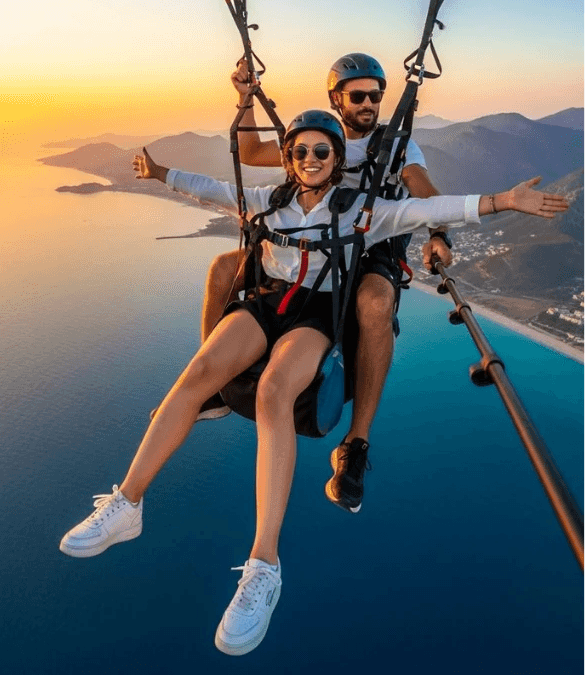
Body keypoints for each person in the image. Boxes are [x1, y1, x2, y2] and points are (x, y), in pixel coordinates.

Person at [59, 110, 568, 656]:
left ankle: (263, 565)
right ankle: (127, 504)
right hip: (266, 303)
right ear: (289, 160)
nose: (310, 161)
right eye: (300, 152)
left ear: (336, 159)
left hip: (317, 314)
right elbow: (210, 188)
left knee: (275, 390)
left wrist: (501, 201)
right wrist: (160, 173)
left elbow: (430, 207)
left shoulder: (362, 213)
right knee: (200, 371)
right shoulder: (269, 201)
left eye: (322, 152)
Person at [199, 52, 454, 513]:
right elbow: (253, 151)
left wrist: (437, 233)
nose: (370, 103)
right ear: (337, 99)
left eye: (376, 95)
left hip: (368, 243)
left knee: (376, 303)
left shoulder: (395, 145)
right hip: (312, 238)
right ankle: (212, 386)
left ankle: (355, 445)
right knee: (222, 269)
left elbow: (422, 187)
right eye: (359, 95)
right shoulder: (319, 138)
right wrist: (245, 100)